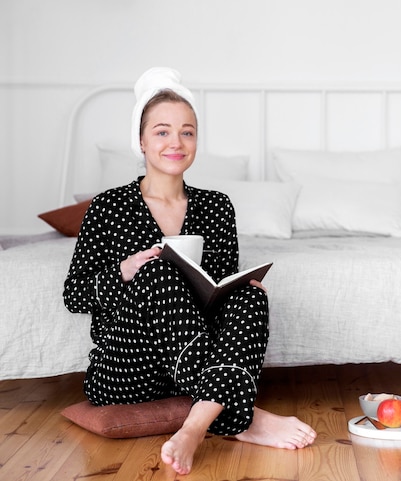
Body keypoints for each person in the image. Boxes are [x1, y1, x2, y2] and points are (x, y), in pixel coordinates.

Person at [63, 67, 316, 475]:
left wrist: (240, 292)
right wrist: (124, 271)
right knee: (158, 273)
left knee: (250, 293)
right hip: (126, 369)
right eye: (162, 132)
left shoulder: (217, 206)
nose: (176, 143)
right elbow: (74, 295)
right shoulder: (107, 207)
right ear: (141, 141)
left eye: (187, 132)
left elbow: (218, 290)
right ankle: (244, 419)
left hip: (193, 368)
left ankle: (196, 425)